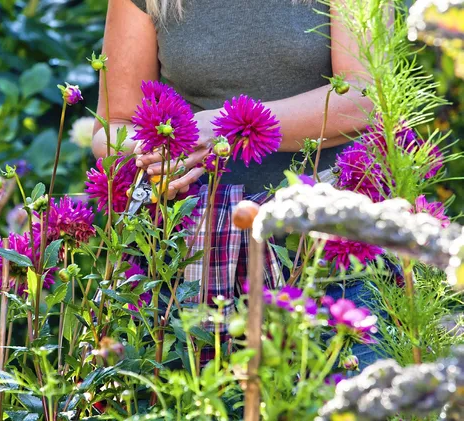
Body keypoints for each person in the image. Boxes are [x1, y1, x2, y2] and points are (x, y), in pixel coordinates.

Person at [91, 0, 378, 366]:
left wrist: (227, 126)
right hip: (194, 243)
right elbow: (112, 128)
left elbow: (363, 99)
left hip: (326, 236)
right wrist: (164, 145)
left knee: (345, 385)